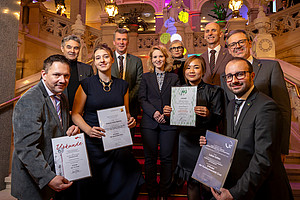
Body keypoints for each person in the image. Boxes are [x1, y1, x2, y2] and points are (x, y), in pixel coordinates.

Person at [200, 57, 293, 200]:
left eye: (240, 74)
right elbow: (232, 143)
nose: (234, 80)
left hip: (261, 189)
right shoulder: (231, 105)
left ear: (252, 75)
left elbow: (263, 159)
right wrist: (211, 144)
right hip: (238, 181)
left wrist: (235, 193)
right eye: (229, 76)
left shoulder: (266, 107)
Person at [71, 43, 144, 200]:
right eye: (98, 58)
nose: (102, 60)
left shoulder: (123, 85)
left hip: (115, 143)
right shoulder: (86, 84)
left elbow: (126, 113)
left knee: (129, 175)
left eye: (105, 57)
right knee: (93, 185)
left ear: (112, 60)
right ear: (94, 62)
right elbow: (76, 114)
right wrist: (89, 130)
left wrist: (130, 121)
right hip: (92, 143)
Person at [11, 54, 80, 200]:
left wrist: (71, 129)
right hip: (33, 182)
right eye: (57, 75)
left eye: (66, 76)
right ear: (44, 74)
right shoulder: (30, 100)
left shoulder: (61, 96)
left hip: (53, 173)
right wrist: (48, 177)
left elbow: (57, 129)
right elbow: (26, 148)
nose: (62, 80)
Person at [222, 29, 291, 158]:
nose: (237, 46)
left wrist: (282, 147)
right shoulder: (225, 76)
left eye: (241, 42)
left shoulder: (270, 67)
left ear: (249, 43)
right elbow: (228, 114)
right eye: (232, 44)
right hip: (238, 148)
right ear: (229, 50)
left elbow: (284, 110)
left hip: (266, 143)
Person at [164, 56, 224, 200]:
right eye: (188, 67)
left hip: (205, 140)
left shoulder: (214, 91)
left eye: (196, 67)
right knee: (191, 183)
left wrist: (208, 113)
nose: (192, 71)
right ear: (184, 72)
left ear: (203, 71)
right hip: (185, 140)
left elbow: (218, 118)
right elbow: (173, 120)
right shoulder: (178, 91)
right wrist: (168, 113)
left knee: (207, 185)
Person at [139, 45, 179, 200]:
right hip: (150, 123)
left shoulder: (174, 78)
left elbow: (178, 98)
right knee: (150, 159)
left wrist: (170, 110)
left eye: (160, 56)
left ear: (166, 58)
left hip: (169, 123)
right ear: (151, 59)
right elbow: (142, 98)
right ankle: (152, 191)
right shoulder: (145, 77)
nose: (158, 60)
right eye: (155, 57)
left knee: (166, 159)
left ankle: (164, 192)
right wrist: (155, 113)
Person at [111, 28, 143, 137]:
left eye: (124, 39)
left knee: (129, 139)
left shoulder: (136, 61)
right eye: (118, 39)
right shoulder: (107, 59)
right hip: (111, 107)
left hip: (131, 106)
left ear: (128, 42)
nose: (121, 42)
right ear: (114, 42)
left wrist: (126, 98)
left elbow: (139, 83)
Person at [61, 35, 94, 112]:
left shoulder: (87, 69)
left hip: (82, 114)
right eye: (69, 47)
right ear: (62, 49)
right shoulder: (53, 67)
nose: (72, 51)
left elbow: (93, 94)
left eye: (76, 48)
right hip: (61, 114)